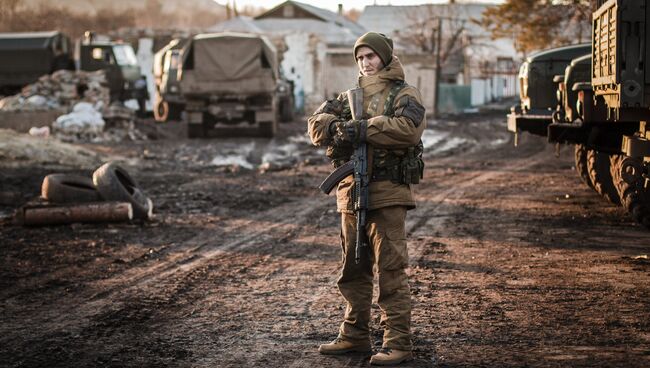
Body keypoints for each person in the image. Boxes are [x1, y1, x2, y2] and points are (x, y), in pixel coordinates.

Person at [307, 32, 426, 366]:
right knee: (353, 269)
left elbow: (408, 128)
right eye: (360, 58)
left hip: (388, 194)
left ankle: (398, 342)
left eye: (371, 56)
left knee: (391, 271)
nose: (365, 63)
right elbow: (315, 123)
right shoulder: (349, 97)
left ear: (385, 58)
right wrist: (335, 128)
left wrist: (362, 129)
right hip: (351, 194)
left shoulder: (404, 93)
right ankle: (354, 334)